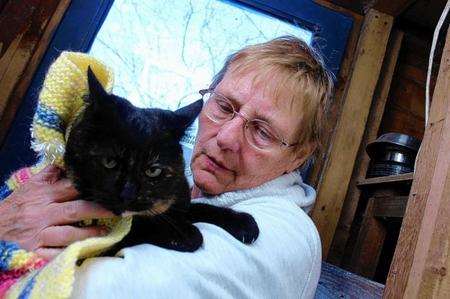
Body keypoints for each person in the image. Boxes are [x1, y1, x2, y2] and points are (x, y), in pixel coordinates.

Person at [0, 36, 333, 298]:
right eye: (224, 106)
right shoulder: (179, 178)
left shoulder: (286, 236)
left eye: (263, 131)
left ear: (299, 156)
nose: (227, 138)